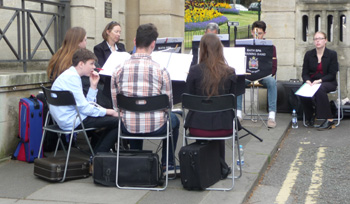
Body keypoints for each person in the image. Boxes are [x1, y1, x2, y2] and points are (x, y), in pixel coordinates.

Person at [111, 23, 180, 174]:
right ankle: (167, 164)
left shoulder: (118, 69)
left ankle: (137, 161)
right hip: (156, 127)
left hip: (127, 127)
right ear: (153, 44)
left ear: (135, 41)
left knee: (132, 115)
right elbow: (168, 106)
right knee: (174, 120)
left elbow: (116, 106)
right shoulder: (161, 71)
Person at [185, 33, 237, 173]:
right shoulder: (230, 72)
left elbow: (188, 100)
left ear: (202, 49)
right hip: (224, 127)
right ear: (220, 49)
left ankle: (204, 168)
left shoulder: (194, 71)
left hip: (197, 127)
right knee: (218, 120)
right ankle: (220, 167)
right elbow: (233, 103)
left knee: (207, 121)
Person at [50, 48, 119, 153]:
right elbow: (85, 108)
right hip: (72, 121)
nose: (94, 67)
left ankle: (97, 153)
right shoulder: (72, 78)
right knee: (118, 121)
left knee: (106, 119)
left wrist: (93, 86)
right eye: (91, 64)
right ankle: (98, 155)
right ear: (81, 64)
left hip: (67, 119)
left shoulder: (70, 75)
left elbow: (86, 105)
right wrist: (110, 111)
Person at [236, 21, 278, 128]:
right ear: (251, 32)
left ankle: (271, 115)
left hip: (263, 76)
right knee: (237, 80)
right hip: (247, 75)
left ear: (264, 33)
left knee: (272, 82)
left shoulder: (270, 47)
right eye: (255, 33)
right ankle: (238, 114)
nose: (257, 35)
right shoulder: (244, 46)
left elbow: (274, 67)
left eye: (259, 33)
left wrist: (264, 74)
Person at [300, 31, 338, 130]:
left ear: (325, 40)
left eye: (320, 38)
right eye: (316, 39)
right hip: (312, 81)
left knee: (320, 89)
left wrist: (320, 80)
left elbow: (332, 74)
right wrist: (307, 80)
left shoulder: (332, 54)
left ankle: (329, 120)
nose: (318, 41)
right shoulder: (309, 54)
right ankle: (310, 115)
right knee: (303, 90)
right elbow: (304, 72)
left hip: (328, 82)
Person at [92, 21, 126, 109]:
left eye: (120, 32)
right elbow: (101, 68)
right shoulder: (99, 48)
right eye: (116, 31)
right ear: (108, 32)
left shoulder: (121, 47)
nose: (118, 34)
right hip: (107, 81)